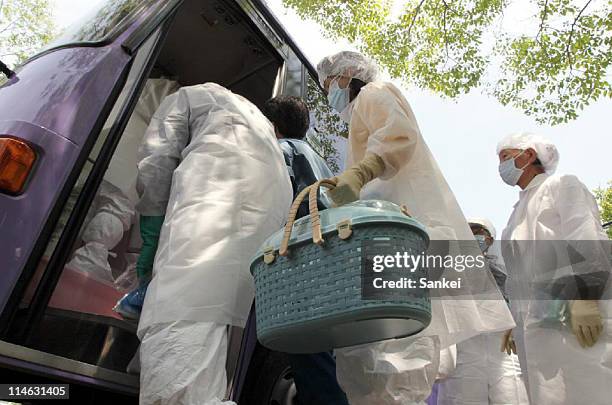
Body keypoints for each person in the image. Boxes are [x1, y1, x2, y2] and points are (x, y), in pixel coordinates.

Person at [316, 50, 515, 405]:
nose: (330, 91)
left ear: (348, 75)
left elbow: (398, 135)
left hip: (400, 241)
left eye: (330, 82)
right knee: (374, 359)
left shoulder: (374, 93)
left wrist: (360, 173)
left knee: (398, 356)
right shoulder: (358, 116)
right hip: (385, 243)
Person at [135, 83, 293, 405]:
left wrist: (150, 227)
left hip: (215, 205)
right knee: (213, 321)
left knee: (178, 322)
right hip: (265, 217)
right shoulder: (258, 125)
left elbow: (156, 162)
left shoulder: (187, 97)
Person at [497, 132, 612, 405]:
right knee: (546, 396)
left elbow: (585, 237)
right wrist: (513, 322)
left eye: (505, 157)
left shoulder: (562, 185)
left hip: (575, 317)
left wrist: (586, 297)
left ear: (528, 155)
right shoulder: (514, 216)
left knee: (590, 389)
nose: (501, 167)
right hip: (536, 327)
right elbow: (517, 278)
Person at [261, 95, 349, 405]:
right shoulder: (317, 158)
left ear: (271, 126)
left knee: (310, 359)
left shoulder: (282, 151)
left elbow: (270, 205)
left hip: (299, 268)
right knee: (317, 359)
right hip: (323, 267)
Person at [437, 218, 529, 405]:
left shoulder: (505, 271)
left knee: (513, 396)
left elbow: (518, 302)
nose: (473, 236)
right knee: (462, 397)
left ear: (490, 239)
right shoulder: (447, 269)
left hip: (503, 347)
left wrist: (515, 326)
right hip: (464, 346)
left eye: (479, 231)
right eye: (468, 231)